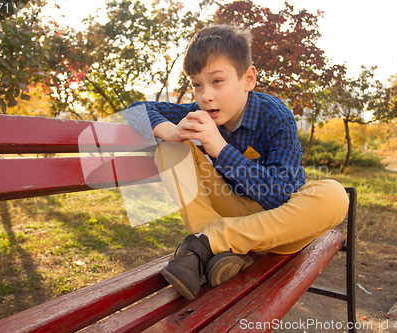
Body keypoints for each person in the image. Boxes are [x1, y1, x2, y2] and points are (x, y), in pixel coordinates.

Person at [127, 25, 349, 301]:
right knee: (170, 150)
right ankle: (215, 247)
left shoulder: (276, 115)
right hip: (230, 208)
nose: (205, 95)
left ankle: (211, 244)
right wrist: (171, 132)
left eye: (217, 81)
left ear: (248, 78)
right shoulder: (200, 112)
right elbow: (135, 110)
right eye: (197, 85)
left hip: (281, 225)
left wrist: (220, 149)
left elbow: (280, 194)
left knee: (334, 196)